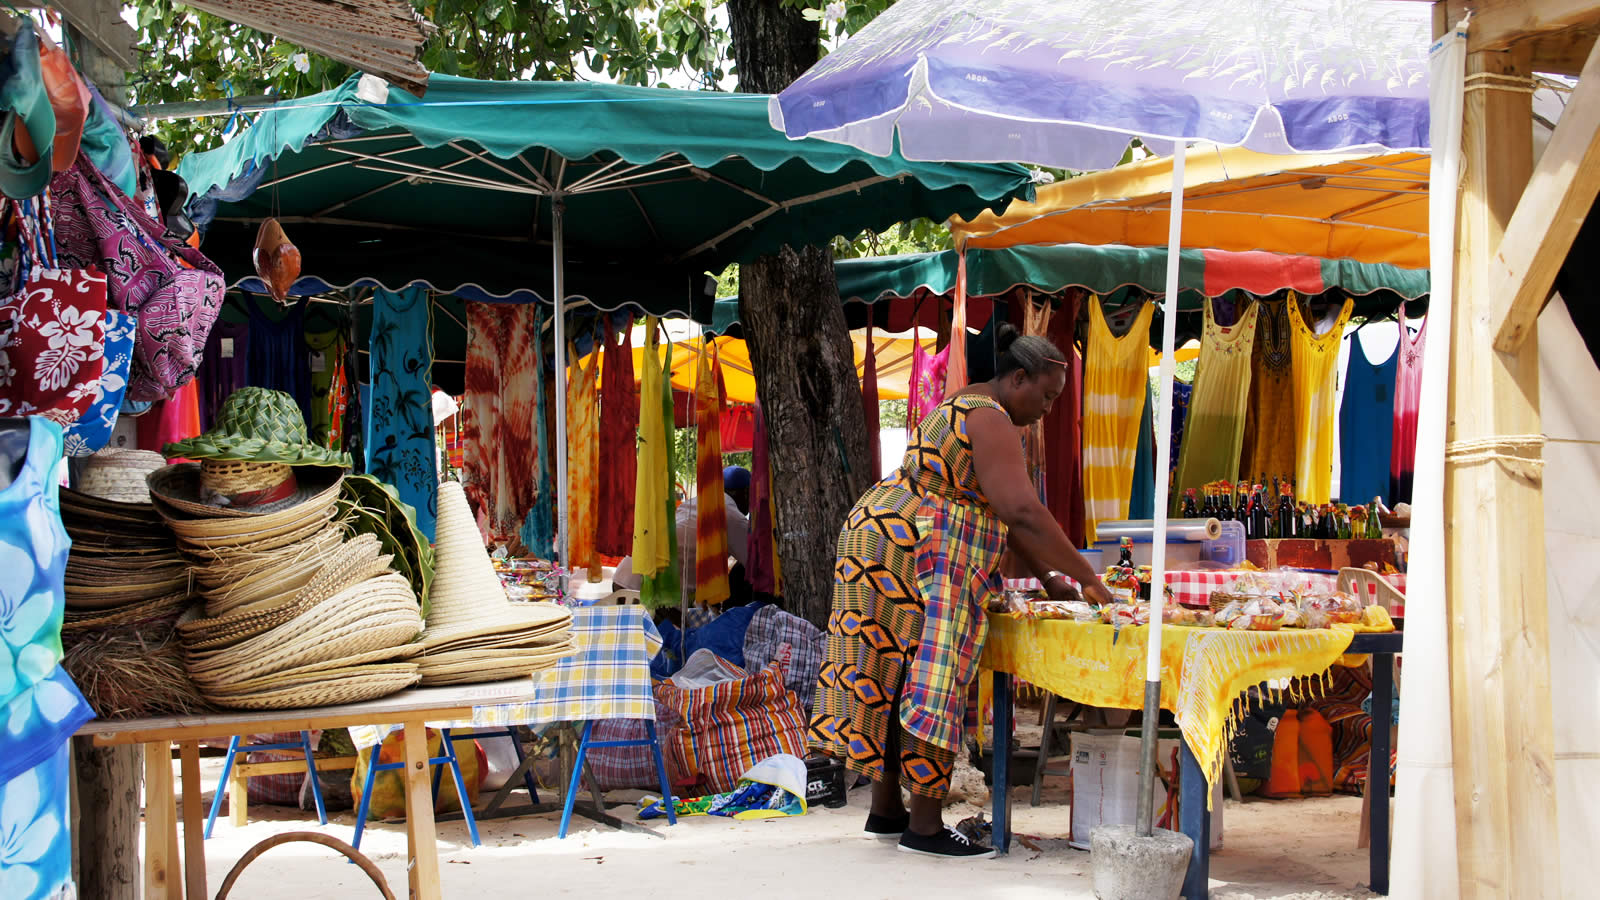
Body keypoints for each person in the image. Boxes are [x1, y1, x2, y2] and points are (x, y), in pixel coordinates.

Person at [810, 324, 1110, 859]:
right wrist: (1087, 575)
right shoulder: (992, 419)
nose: (1047, 410)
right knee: (934, 675)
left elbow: (1000, 510)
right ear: (1017, 378)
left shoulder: (966, 403)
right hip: (914, 550)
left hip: (877, 537)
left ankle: (886, 811)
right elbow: (1020, 510)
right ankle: (923, 828)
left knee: (891, 673)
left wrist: (1047, 577)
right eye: (1045, 396)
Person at [614, 466, 751, 611]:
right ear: (746, 493)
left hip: (624, 576)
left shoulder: (696, 502)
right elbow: (756, 567)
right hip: (647, 591)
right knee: (676, 630)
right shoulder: (733, 517)